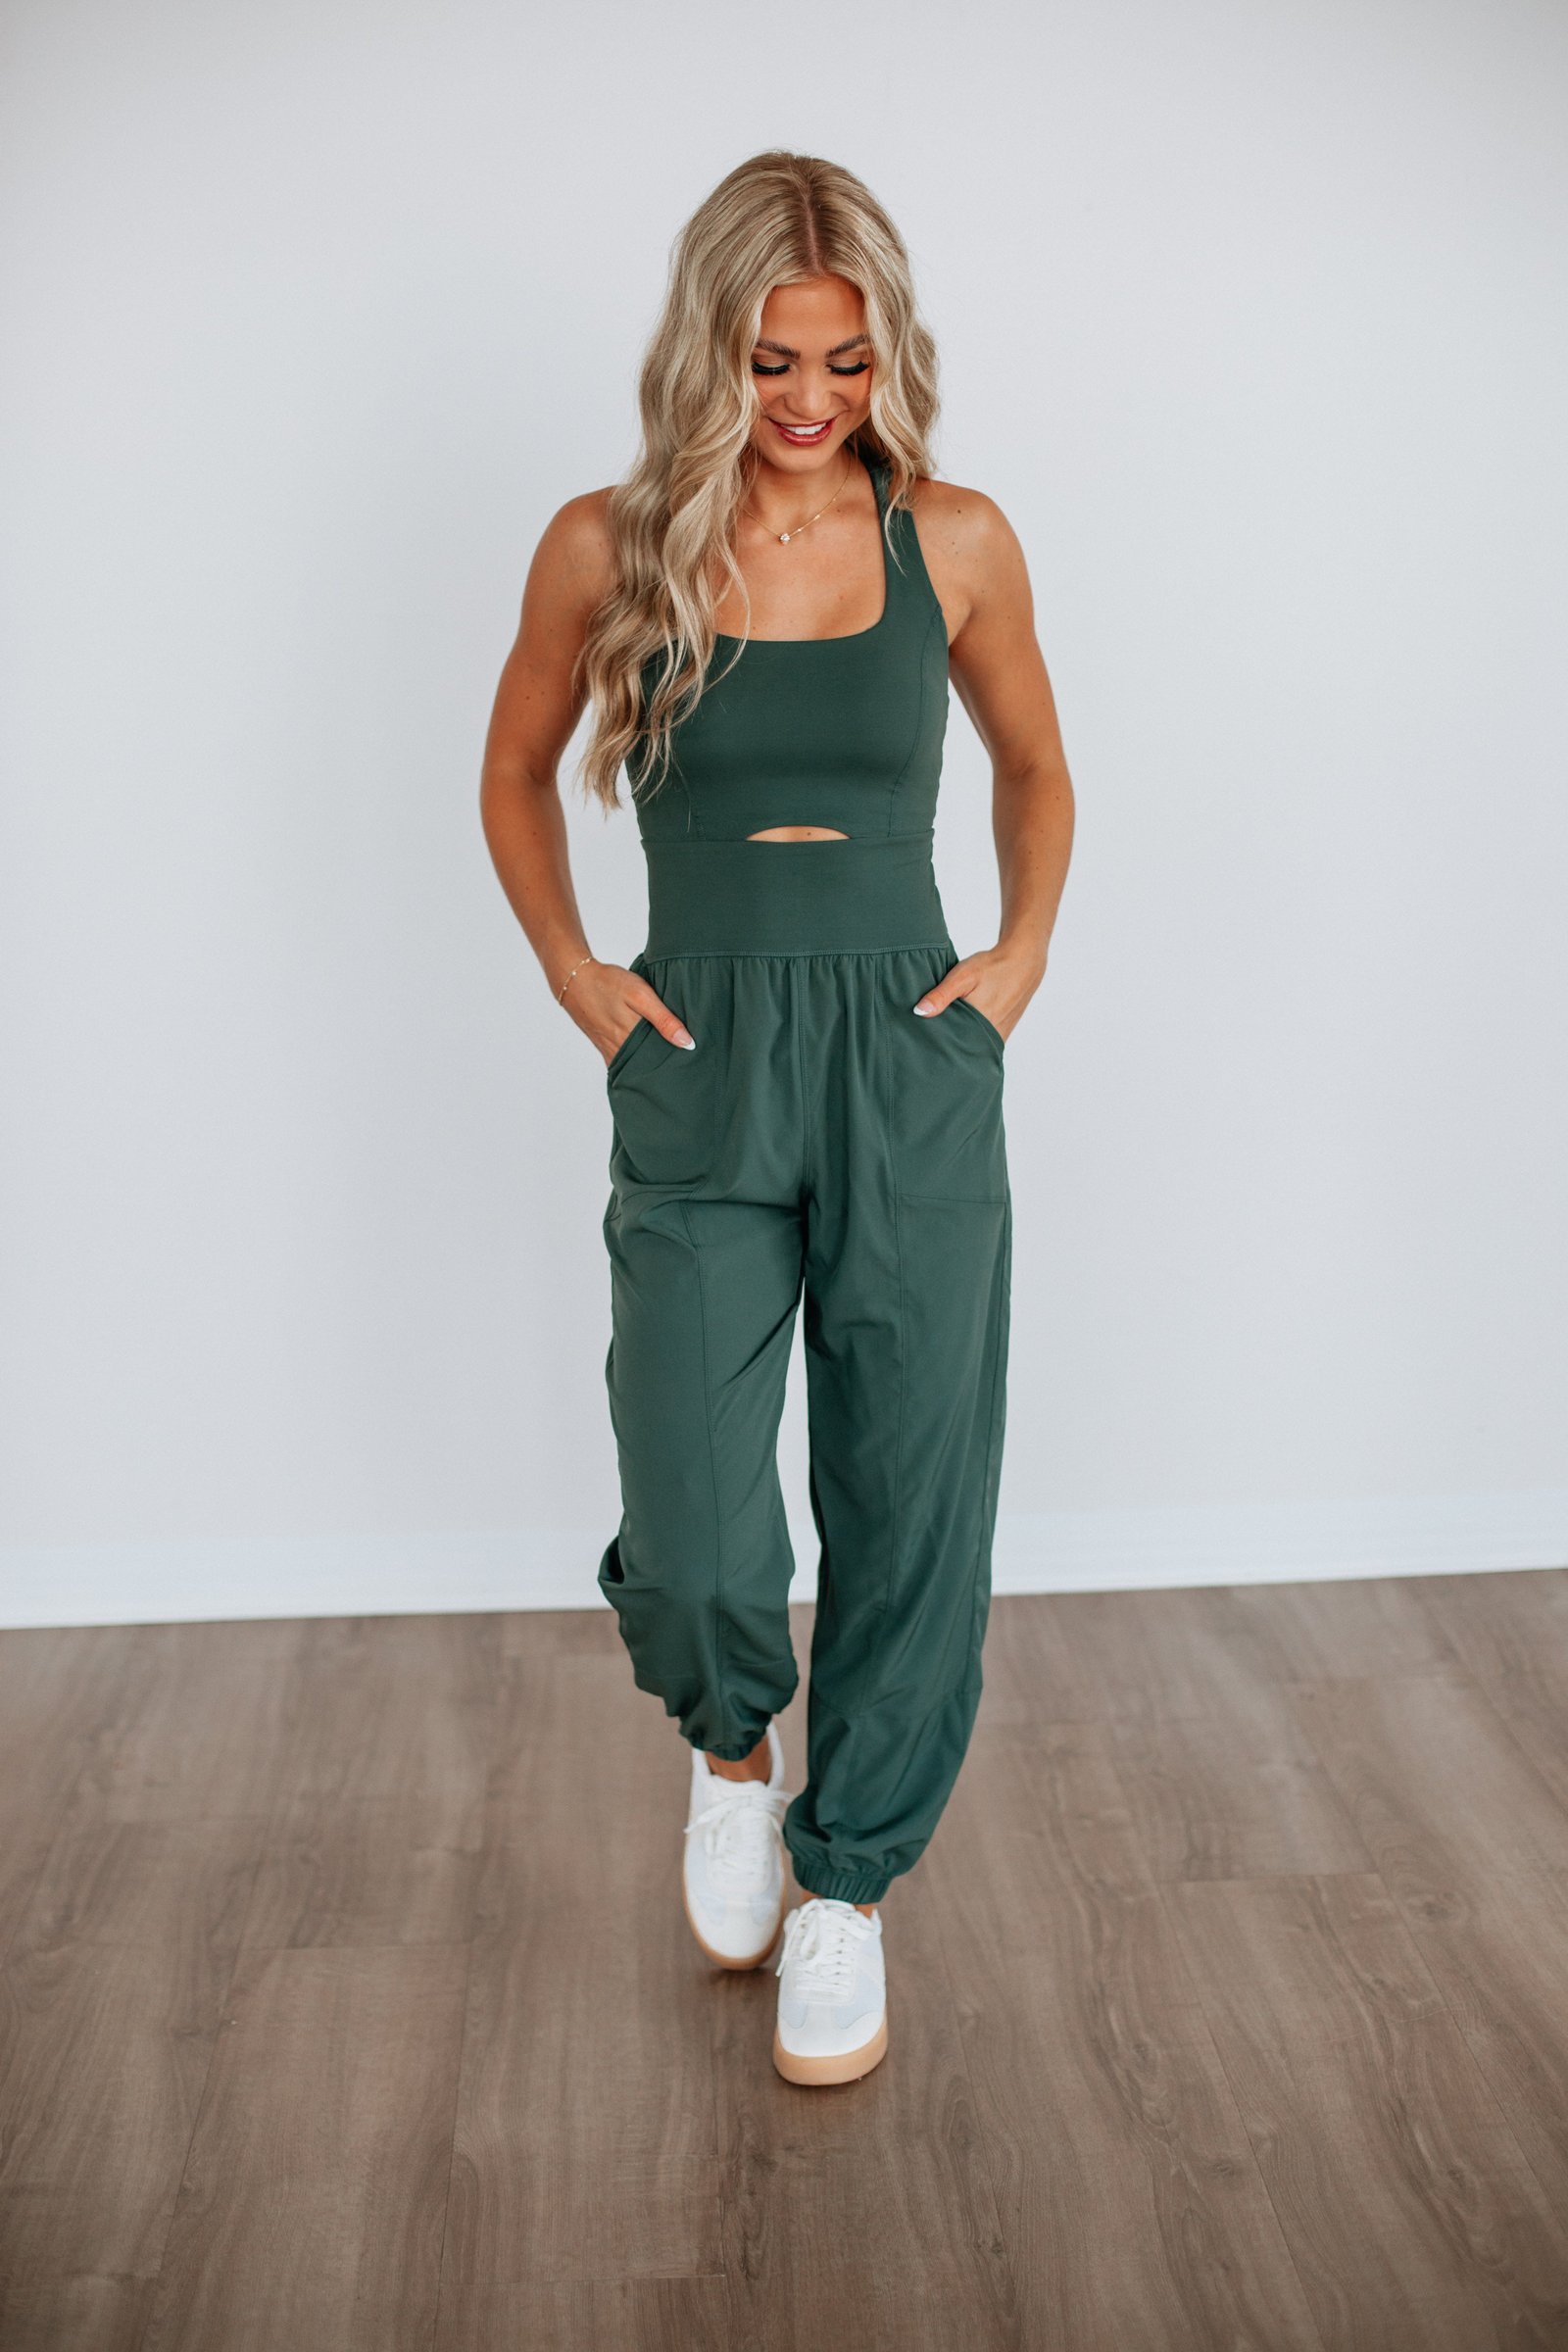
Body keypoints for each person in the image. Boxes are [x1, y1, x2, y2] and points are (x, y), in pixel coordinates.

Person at [480, 150, 1074, 2086]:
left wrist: (1016, 957)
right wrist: (573, 969)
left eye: (844, 358)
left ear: (887, 353)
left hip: (907, 1048)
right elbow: (512, 768)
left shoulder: (954, 538)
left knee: (911, 1493)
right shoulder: (606, 542)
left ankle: (848, 1886)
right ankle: (731, 1754)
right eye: (768, 359)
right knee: (696, 1519)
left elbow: (1035, 764)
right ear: (704, 351)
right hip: (702, 1045)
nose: (809, 397)